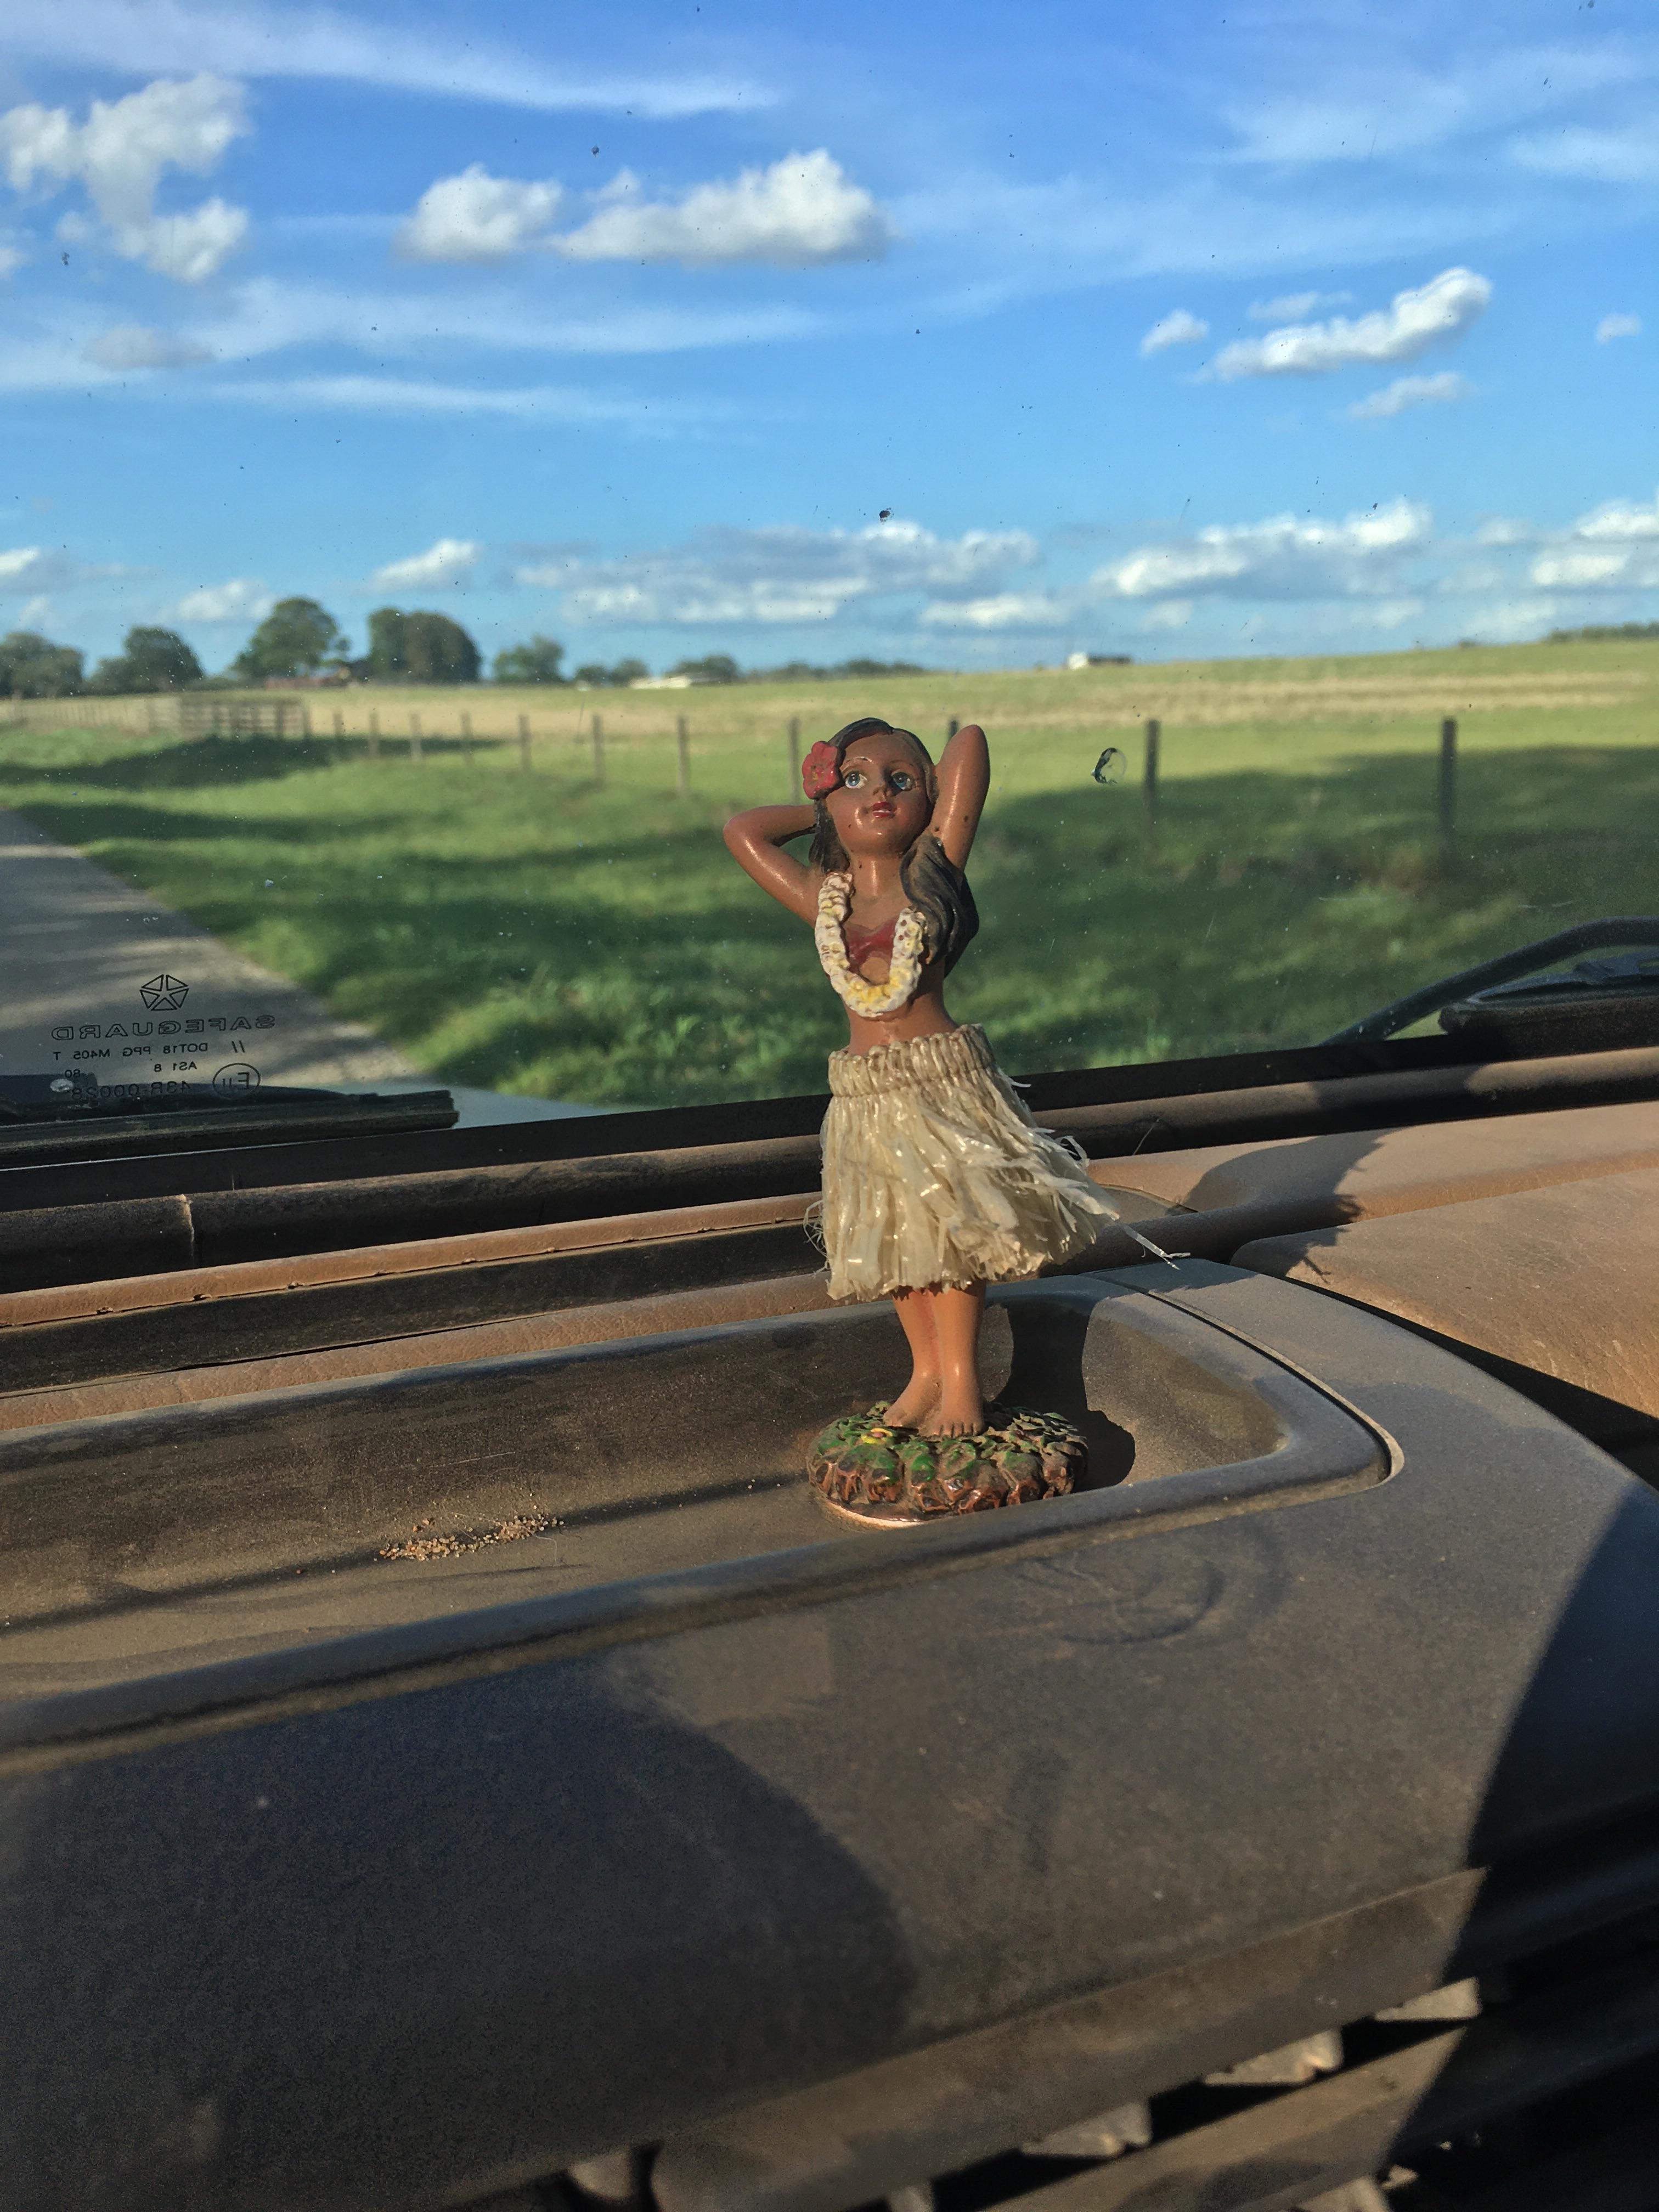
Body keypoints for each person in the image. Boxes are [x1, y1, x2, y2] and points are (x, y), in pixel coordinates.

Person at [724, 715, 1119, 1436]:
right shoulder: (825, 897)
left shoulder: (932, 875)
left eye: (899, 781)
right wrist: (826, 802)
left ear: (931, 797)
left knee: (954, 1238)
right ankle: (926, 1372)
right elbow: (743, 832)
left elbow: (971, 744)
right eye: (857, 779)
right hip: (866, 1093)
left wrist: (917, 793)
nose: (879, 792)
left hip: (943, 1083)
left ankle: (963, 1379)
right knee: (898, 1243)